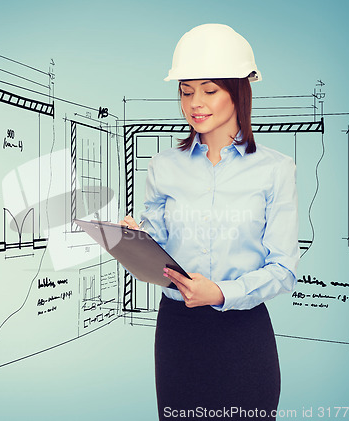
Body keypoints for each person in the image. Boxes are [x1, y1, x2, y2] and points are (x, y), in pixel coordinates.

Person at [121, 24, 299, 420]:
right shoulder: (163, 166)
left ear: (238, 91)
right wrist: (136, 239)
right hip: (177, 333)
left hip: (244, 335)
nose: (194, 104)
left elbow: (284, 269)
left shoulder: (276, 170)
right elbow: (160, 244)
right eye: (186, 91)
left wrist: (219, 292)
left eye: (209, 90)